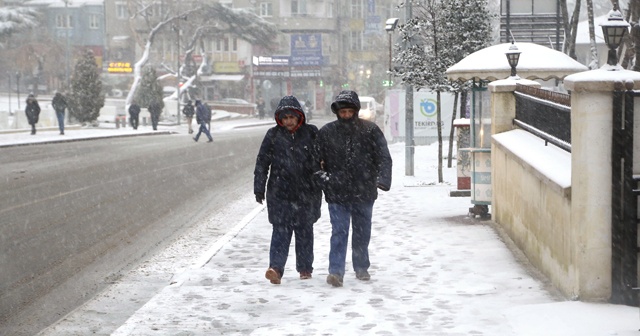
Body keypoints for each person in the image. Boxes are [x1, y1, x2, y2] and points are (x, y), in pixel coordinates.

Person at [316, 90, 393, 287]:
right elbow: (315, 162)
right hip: (337, 191)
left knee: (362, 231)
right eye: (343, 112)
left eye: (350, 111)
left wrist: (383, 180)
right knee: (339, 231)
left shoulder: (370, 130)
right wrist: (324, 179)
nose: (346, 115)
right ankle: (336, 271)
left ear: (356, 111)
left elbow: (383, 156)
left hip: (364, 190)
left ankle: (361, 267)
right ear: (337, 112)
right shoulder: (326, 132)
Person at [254, 95, 322, 285]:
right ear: (279, 119)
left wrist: (322, 182)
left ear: (299, 116)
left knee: (305, 232)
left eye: (292, 117)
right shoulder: (273, 135)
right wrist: (259, 186)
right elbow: (262, 162)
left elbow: (322, 159)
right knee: (280, 232)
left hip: (307, 193)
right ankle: (275, 269)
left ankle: (305, 268)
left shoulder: (311, 133)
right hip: (280, 192)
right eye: (285, 118)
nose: (289, 121)